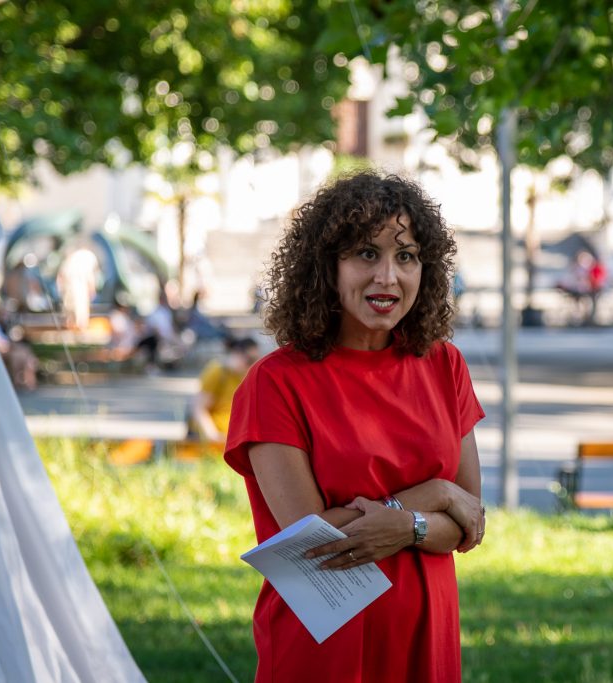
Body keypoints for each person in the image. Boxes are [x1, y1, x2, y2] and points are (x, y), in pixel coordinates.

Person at [224, 171, 486, 682]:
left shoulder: (444, 365)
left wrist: (405, 525)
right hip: (324, 648)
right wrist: (432, 494)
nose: (388, 277)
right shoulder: (275, 383)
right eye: (367, 253)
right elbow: (312, 542)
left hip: (426, 641)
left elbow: (470, 520)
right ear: (327, 268)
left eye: (405, 256)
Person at [189, 336, 261, 444]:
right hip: (213, 440)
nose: (252, 365)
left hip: (233, 438)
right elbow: (199, 408)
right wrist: (213, 435)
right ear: (237, 354)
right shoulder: (217, 371)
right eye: (250, 360)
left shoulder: (247, 377)